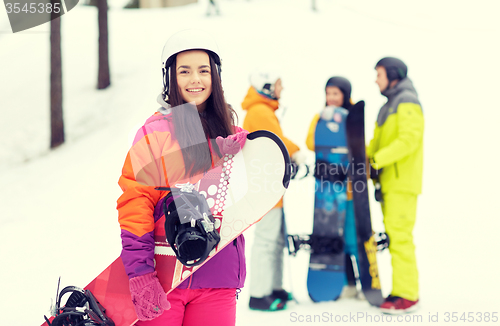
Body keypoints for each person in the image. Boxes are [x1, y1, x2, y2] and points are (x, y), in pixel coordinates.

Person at [116, 29, 249, 326]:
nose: (195, 80)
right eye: (184, 71)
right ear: (170, 78)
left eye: (203, 70)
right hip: (166, 277)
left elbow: (251, 203)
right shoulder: (154, 132)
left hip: (218, 276)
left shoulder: (232, 135)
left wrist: (244, 158)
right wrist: (139, 274)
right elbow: (135, 203)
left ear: (216, 76)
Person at [242, 70, 303, 311]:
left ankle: (274, 287)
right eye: (279, 84)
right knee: (267, 240)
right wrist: (297, 152)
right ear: (267, 86)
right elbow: (278, 140)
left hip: (271, 186)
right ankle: (259, 294)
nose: (282, 89)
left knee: (276, 239)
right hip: (263, 187)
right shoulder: (260, 111)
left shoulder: (265, 110)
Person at [368, 57, 424, 314]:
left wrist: (377, 161)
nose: (376, 79)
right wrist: (363, 158)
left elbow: (409, 140)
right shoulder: (388, 105)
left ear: (393, 75)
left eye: (379, 74)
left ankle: (407, 295)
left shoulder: (407, 101)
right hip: (390, 183)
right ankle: (401, 290)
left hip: (401, 183)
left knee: (400, 238)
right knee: (395, 237)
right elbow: (377, 143)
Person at [305, 77, 362, 299]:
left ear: (345, 95)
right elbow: (311, 143)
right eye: (328, 93)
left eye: (336, 94)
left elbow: (360, 148)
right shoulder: (320, 117)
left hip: (349, 192)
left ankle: (363, 280)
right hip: (328, 192)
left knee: (351, 237)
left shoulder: (355, 119)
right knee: (334, 237)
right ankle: (347, 283)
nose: (331, 98)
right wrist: (325, 125)